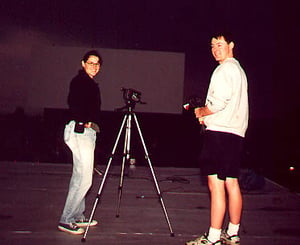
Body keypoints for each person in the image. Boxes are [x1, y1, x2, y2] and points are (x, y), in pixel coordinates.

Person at [186, 33, 249, 245]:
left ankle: (212, 237)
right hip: (235, 135)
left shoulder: (223, 70)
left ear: (231, 45)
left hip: (219, 136)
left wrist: (201, 112)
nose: (215, 49)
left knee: (216, 185)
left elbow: (218, 103)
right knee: (232, 182)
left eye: (219, 44)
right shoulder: (239, 71)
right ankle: (232, 233)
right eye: (212, 45)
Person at [58, 50, 103, 235]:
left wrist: (92, 125)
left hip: (85, 131)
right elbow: (74, 104)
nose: (94, 66)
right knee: (84, 178)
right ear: (83, 63)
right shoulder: (80, 82)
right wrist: (84, 122)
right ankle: (66, 219)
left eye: (97, 63)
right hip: (79, 131)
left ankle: (77, 215)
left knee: (80, 175)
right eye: (91, 62)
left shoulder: (90, 83)